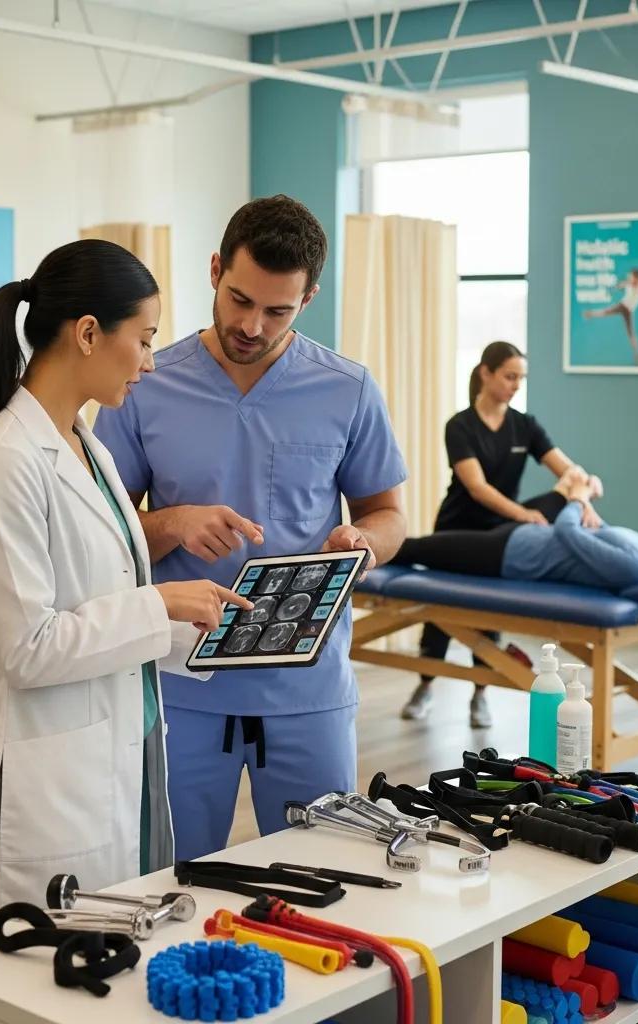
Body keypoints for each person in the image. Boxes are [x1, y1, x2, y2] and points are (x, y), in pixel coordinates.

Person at [0, 238, 252, 932]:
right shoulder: (3, 460)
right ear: (89, 333)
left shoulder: (88, 446)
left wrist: (204, 630)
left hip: (118, 760)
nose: (150, 361)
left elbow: (102, 601)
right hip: (50, 791)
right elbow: (28, 648)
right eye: (143, 340)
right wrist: (160, 603)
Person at [94, 195, 407, 862]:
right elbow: (99, 535)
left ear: (308, 297)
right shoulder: (144, 383)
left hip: (306, 689)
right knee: (166, 880)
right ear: (214, 270)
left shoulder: (347, 388)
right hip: (181, 685)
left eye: (277, 311)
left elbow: (389, 514)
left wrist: (364, 542)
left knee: (325, 879)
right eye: (239, 300)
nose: (251, 325)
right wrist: (172, 523)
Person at [401, 341, 604, 725]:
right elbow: (477, 488)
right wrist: (525, 515)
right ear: (486, 374)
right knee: (440, 615)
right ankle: (426, 685)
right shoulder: (460, 426)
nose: (515, 385)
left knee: (485, 613)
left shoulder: (524, 425)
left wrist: (584, 495)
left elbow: (569, 471)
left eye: (520, 379)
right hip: (458, 529)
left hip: (501, 534)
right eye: (510, 377)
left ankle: (480, 694)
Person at [391, 483, 638, 589]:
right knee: (431, 543)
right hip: (521, 533)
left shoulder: (636, 569)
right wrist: (589, 510)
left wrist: (580, 499)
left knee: (417, 549)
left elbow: (567, 531)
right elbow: (596, 534)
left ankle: (355, 562)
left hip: (506, 556)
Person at [583, 265, 638, 365]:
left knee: (631, 333)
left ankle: (637, 355)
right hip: (622, 305)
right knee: (606, 312)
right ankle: (590, 314)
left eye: (632, 277)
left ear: (636, 278)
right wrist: (614, 288)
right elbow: (620, 285)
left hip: (629, 311)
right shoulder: (628, 283)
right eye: (630, 277)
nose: (630, 279)